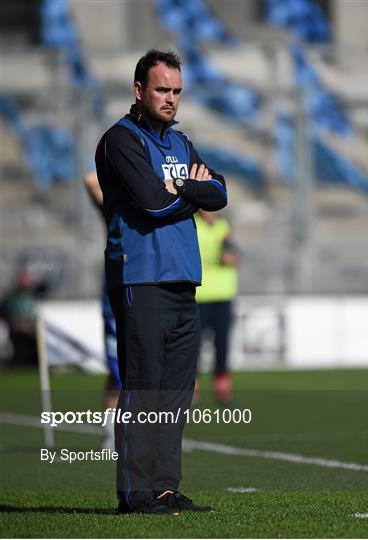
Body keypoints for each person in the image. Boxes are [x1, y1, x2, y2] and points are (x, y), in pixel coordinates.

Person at [95, 49, 227, 515]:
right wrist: (192, 190)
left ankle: (164, 488)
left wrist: (184, 189)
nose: (170, 99)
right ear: (139, 91)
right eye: (161, 89)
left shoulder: (180, 142)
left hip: (183, 281)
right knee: (144, 387)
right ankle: (135, 493)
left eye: (176, 91)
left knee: (174, 394)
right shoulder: (121, 140)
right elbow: (152, 204)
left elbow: (221, 192)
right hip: (141, 278)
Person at [84, 171, 121, 450]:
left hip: (146, 301)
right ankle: (111, 432)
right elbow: (89, 179)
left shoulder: (153, 206)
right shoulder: (116, 208)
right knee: (117, 372)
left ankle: (149, 436)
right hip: (115, 301)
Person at [194, 209, 239, 405]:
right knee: (193, 345)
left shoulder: (224, 227)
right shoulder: (192, 224)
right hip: (199, 294)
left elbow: (233, 255)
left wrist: (231, 257)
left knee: (222, 343)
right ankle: (192, 387)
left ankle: (222, 386)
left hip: (223, 294)